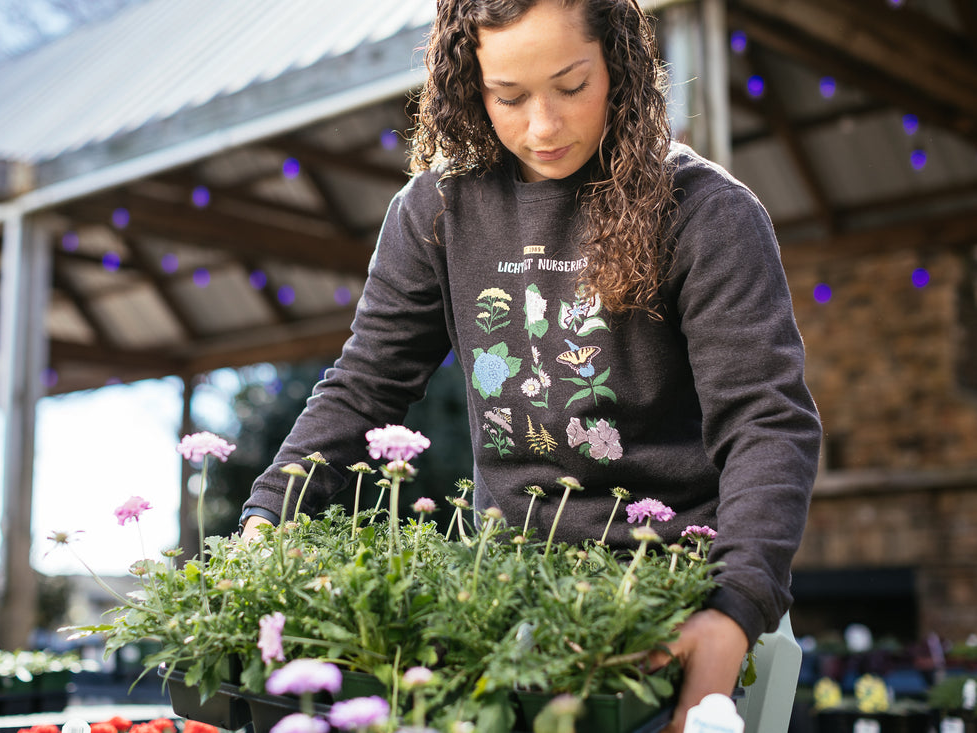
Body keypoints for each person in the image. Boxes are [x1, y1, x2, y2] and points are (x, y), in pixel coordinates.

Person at [240, 0, 821, 730]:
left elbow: (767, 422)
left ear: (618, 64)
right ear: (468, 83)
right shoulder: (438, 210)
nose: (541, 127)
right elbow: (363, 386)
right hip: (504, 614)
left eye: (571, 86)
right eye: (508, 96)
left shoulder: (705, 214)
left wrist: (734, 609)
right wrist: (269, 514)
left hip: (676, 604)